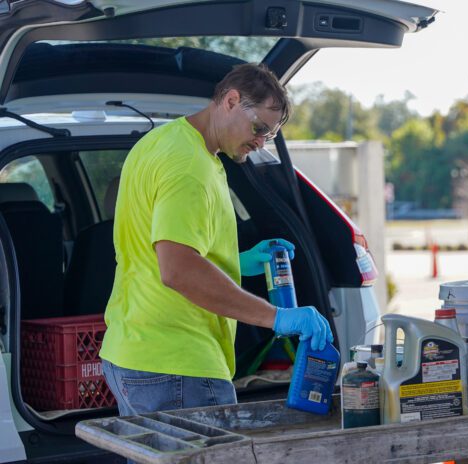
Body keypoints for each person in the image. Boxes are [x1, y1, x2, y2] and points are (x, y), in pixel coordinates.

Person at [99, 63, 332, 416]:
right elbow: (178, 271)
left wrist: (238, 261)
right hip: (179, 365)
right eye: (258, 128)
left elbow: (161, 254)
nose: (260, 141)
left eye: (268, 136)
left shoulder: (163, 143)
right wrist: (277, 318)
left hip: (132, 353)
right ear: (231, 100)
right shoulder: (189, 167)